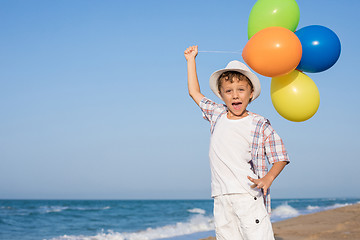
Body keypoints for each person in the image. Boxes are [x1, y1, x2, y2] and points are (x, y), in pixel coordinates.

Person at [184, 45, 290, 240]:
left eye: (241, 90)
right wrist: (191, 60)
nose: (235, 95)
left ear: (251, 93)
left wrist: (268, 178)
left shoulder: (258, 123)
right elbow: (194, 92)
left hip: (247, 195)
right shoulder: (217, 115)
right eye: (229, 91)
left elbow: (280, 156)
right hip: (221, 196)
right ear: (221, 95)